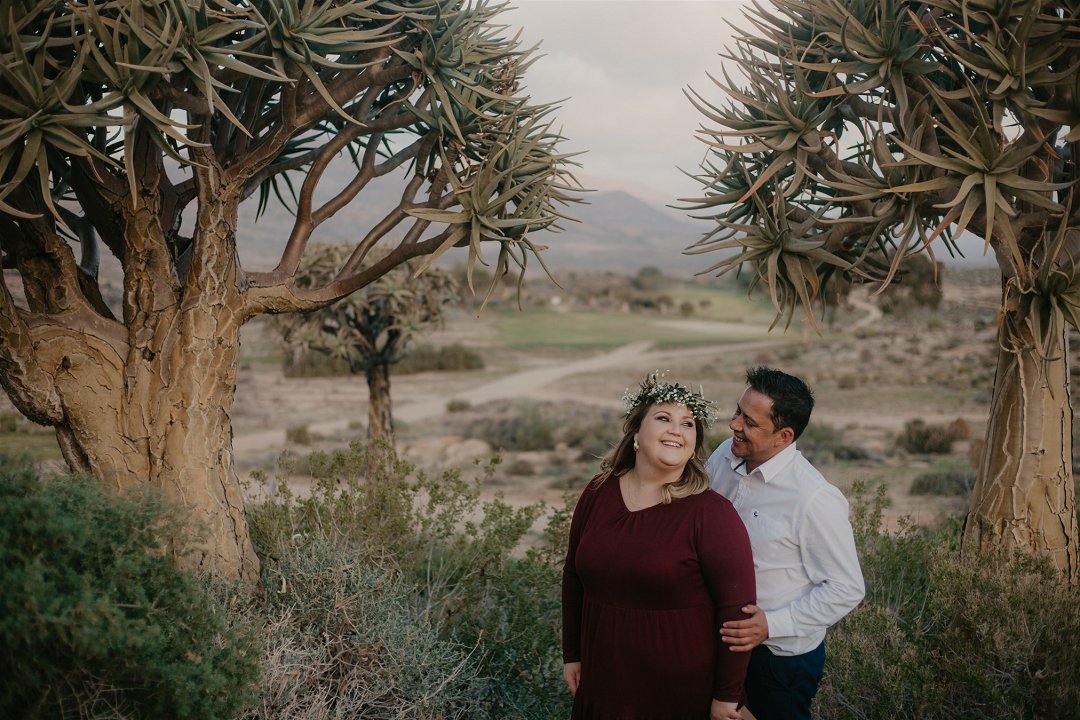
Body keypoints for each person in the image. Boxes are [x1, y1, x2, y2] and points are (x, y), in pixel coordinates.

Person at [562, 372, 756, 720]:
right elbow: (573, 575)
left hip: (680, 694)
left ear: (694, 443)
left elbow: (736, 611)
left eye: (688, 424)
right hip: (604, 682)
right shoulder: (598, 491)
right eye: (664, 418)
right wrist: (572, 654)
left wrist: (727, 697)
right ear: (636, 433)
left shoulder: (711, 515)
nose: (676, 430)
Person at [706, 367, 865, 720]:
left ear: (783, 436)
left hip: (777, 662)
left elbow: (846, 588)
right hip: (716, 641)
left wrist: (770, 626)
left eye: (749, 421)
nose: (734, 425)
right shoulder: (722, 455)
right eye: (737, 412)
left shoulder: (813, 498)